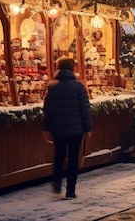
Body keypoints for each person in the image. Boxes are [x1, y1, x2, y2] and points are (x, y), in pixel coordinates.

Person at [42, 57, 93, 199]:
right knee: (73, 159)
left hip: (58, 129)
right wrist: (88, 128)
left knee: (59, 156)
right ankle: (71, 190)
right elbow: (85, 109)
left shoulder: (52, 87)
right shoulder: (78, 87)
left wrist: (46, 129)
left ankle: (57, 182)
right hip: (76, 130)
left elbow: (48, 110)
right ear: (73, 68)